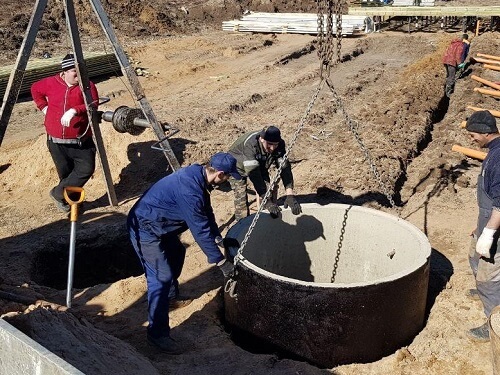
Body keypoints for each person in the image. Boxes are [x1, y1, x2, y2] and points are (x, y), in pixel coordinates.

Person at [127, 152, 241, 353]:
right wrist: (221, 262)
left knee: (177, 253)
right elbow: (199, 229)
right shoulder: (190, 190)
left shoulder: (198, 176)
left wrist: (218, 238)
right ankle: (157, 335)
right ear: (220, 174)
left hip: (161, 226)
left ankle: (169, 298)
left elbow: (207, 213)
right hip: (146, 228)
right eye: (229, 177)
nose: (228, 181)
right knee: (160, 278)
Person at [31, 53, 98, 213]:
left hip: (80, 141)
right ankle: (71, 204)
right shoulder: (50, 83)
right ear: (65, 72)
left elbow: (93, 104)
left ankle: (56, 194)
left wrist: (75, 110)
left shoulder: (87, 85)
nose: (79, 76)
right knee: (67, 176)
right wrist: (44, 107)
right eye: (75, 72)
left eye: (82, 72)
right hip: (56, 142)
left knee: (85, 169)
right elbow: (35, 89)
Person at [464, 110, 500, 342]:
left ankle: (493, 324)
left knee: (489, 277)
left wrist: (487, 234)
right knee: (473, 256)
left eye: (473, 134)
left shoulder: (499, 159)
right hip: (487, 221)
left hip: (496, 229)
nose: (472, 139)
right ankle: (485, 291)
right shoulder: (493, 151)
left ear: (485, 133)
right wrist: (479, 228)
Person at [228, 125, 302, 221]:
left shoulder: (279, 145)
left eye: (275, 144)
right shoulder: (251, 145)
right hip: (236, 167)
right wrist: (266, 201)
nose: (272, 148)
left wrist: (290, 194)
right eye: (270, 144)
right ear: (261, 139)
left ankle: (265, 219)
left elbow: (285, 168)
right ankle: (242, 225)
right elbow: (254, 175)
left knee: (268, 192)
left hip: (259, 164)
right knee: (241, 199)